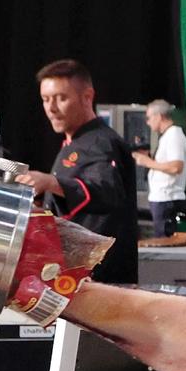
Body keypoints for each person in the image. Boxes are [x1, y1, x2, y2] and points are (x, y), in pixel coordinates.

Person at [16, 59, 139, 284]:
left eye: (61, 98)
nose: (51, 108)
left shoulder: (101, 142)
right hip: (74, 275)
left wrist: (51, 182)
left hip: (103, 279)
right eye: (46, 99)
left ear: (87, 97)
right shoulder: (74, 143)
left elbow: (108, 192)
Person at [133, 99, 186, 237]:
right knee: (161, 238)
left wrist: (147, 162)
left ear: (159, 116)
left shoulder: (174, 135)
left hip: (167, 198)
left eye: (148, 118)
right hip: (161, 198)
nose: (147, 122)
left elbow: (176, 167)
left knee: (164, 241)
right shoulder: (168, 136)